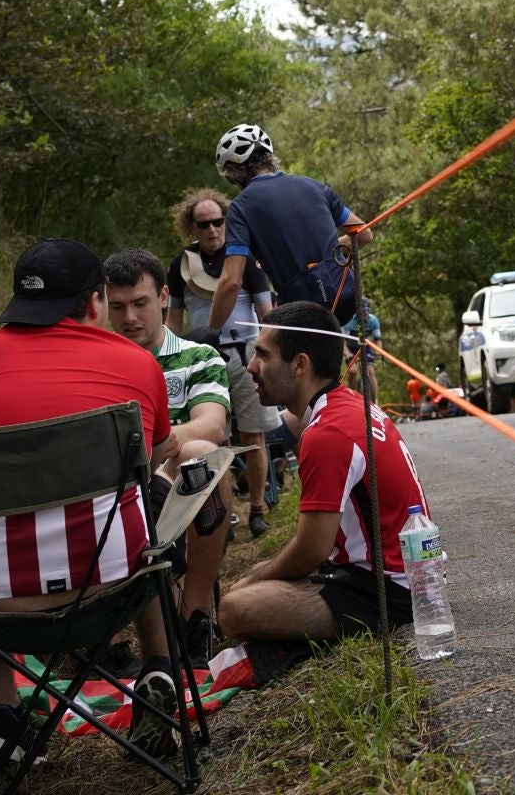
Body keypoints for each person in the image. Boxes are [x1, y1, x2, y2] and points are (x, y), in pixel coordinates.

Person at [0, 238, 183, 763]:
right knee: (147, 503)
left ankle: (1, 719)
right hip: (111, 585)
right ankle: (158, 669)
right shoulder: (135, 363)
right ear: (95, 302)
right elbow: (159, 448)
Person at [220, 301, 428, 675]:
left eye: (262, 355)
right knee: (258, 577)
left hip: (388, 592)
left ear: (299, 365)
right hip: (406, 573)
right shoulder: (347, 404)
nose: (251, 367)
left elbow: (312, 549)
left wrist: (255, 579)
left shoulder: (326, 432)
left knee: (235, 607)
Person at [104, 247, 234, 659]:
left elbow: (212, 424)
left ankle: (193, 616)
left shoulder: (198, 356)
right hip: (115, 482)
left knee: (201, 451)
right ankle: (109, 633)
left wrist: (156, 450)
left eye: (140, 303)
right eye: (118, 307)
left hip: (178, 479)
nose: (129, 317)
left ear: (162, 297)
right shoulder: (98, 363)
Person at [165, 188, 280, 532]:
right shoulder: (181, 264)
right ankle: (224, 511)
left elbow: (267, 314)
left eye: (218, 221)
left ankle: (257, 510)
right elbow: (174, 319)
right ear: (192, 227)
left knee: (254, 435)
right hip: (201, 362)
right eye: (204, 224)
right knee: (214, 441)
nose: (213, 229)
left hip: (246, 357)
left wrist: (269, 356)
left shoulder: (244, 257)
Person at [207, 124, 373, 332]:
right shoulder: (313, 185)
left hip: (300, 312)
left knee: (269, 361)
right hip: (346, 297)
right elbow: (364, 234)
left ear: (234, 172)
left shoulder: (241, 207)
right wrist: (332, 250)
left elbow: (231, 281)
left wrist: (210, 332)